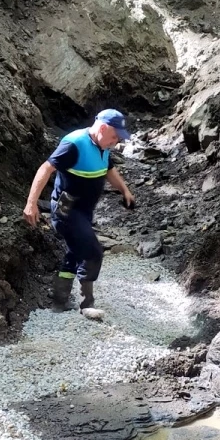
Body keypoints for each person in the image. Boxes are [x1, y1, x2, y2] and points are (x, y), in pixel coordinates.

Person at [23, 109, 136, 312]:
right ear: (102, 128)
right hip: (67, 210)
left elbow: (109, 169)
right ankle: (87, 303)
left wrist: (125, 190)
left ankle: (59, 299)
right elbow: (45, 169)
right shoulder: (74, 144)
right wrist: (31, 204)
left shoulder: (103, 144)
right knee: (93, 253)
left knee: (75, 252)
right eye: (114, 137)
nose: (116, 142)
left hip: (84, 211)